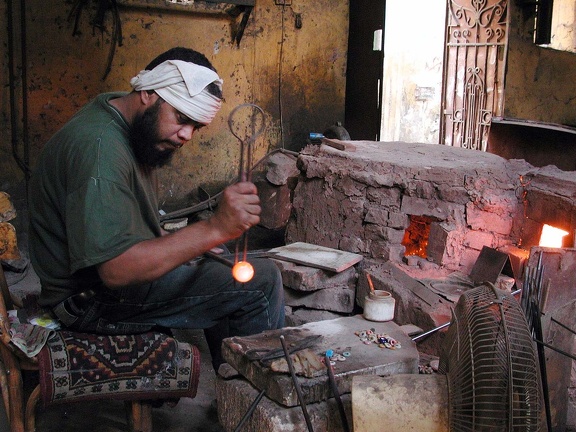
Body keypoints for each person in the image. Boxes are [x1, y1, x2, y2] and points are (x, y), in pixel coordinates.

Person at [28, 47, 285, 371]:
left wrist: (198, 244)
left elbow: (122, 223)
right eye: (182, 119)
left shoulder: (117, 114)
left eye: (196, 127)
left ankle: (230, 377)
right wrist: (213, 228)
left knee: (223, 266)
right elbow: (116, 270)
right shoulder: (100, 151)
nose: (186, 136)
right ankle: (252, 402)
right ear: (149, 93)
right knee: (261, 282)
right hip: (88, 302)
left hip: (93, 289)